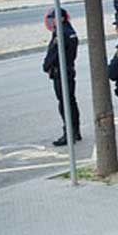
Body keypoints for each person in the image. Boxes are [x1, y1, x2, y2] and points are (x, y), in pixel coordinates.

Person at [42, 8, 81, 146]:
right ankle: (75, 131)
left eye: (54, 18)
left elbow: (54, 53)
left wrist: (46, 66)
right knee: (71, 102)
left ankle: (68, 133)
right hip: (69, 70)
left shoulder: (61, 33)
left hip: (61, 73)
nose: (52, 21)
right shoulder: (70, 31)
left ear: (62, 18)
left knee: (65, 104)